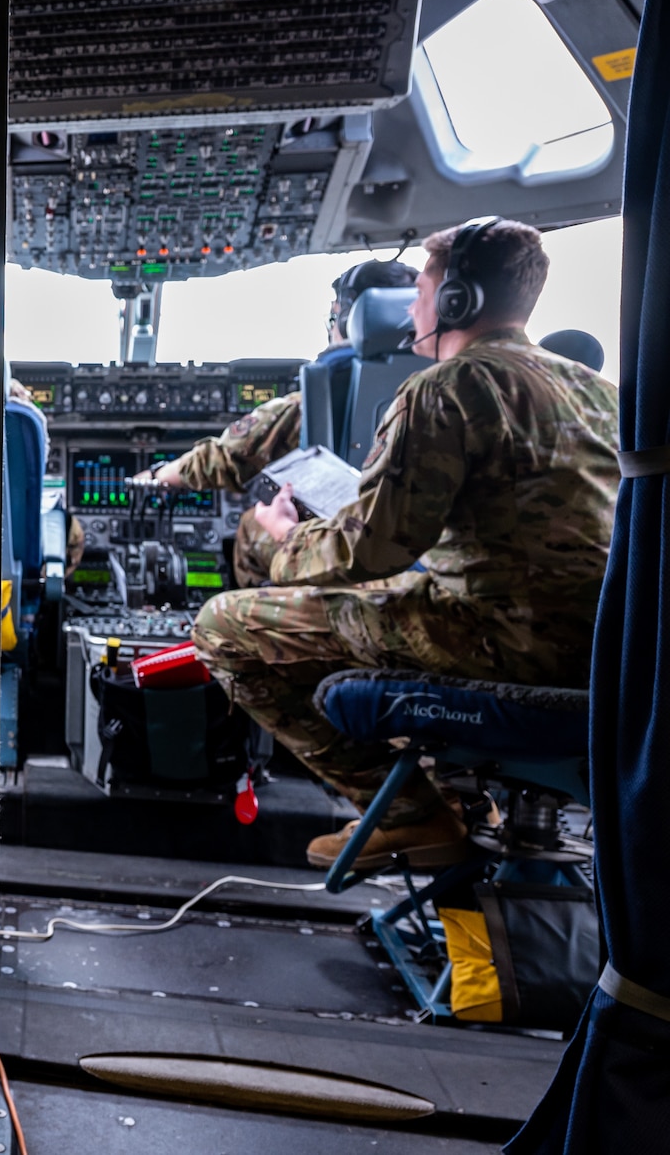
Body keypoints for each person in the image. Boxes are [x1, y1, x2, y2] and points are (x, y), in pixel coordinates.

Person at [189, 220, 620, 869]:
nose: (411, 308)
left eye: (420, 289)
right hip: (608, 653)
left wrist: (281, 540)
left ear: (455, 301)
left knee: (224, 626)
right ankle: (462, 801)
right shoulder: (603, 393)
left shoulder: (446, 389)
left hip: (501, 640)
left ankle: (411, 814)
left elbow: (370, 550)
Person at [142, 258, 420, 587]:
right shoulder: (441, 382)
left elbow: (222, 459)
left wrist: (157, 475)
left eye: (334, 315)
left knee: (249, 526)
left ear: (348, 318)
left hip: (348, 546)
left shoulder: (324, 394)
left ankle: (269, 614)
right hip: (420, 551)